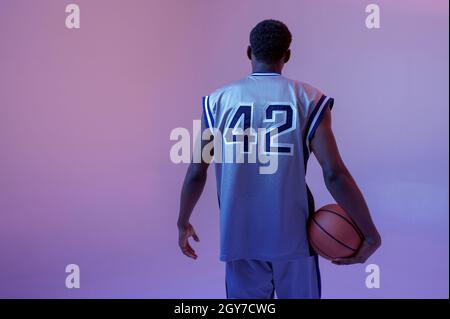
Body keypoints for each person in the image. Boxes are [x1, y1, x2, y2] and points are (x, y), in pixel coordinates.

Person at [177, 19, 381, 299]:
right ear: (287, 55)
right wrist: (370, 234)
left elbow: (196, 171)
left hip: (240, 239)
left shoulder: (217, 101)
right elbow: (334, 173)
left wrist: (182, 222)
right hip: (294, 239)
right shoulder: (309, 98)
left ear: (249, 52)